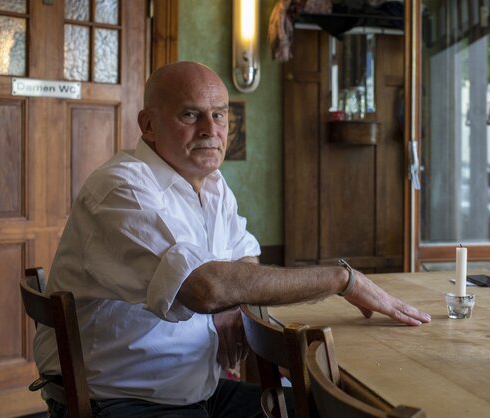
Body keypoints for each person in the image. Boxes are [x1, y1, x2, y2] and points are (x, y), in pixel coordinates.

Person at [33, 61, 431, 417]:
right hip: (121, 400)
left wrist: (231, 301)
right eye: (190, 114)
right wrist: (341, 280)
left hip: (193, 390)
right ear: (149, 125)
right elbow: (204, 289)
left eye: (219, 115)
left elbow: (244, 258)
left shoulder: (213, 184)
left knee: (327, 409)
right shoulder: (122, 189)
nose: (210, 129)